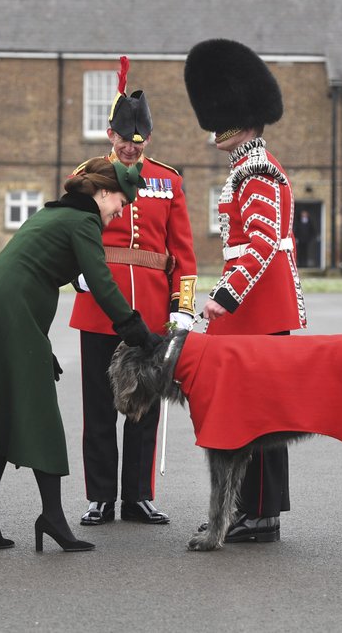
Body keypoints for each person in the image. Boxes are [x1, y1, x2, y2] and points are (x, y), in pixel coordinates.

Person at [0, 157, 160, 553]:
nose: (121, 213)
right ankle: (52, 518)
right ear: (104, 193)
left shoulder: (56, 215)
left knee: (1, 410)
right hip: (7, 313)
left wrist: (38, 345)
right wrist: (137, 330)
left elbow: (25, 274)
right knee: (42, 415)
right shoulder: (83, 221)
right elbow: (101, 282)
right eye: (121, 204)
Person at [184, 38, 307, 543]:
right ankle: (251, 510)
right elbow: (242, 251)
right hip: (250, 310)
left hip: (256, 312)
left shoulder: (256, 171)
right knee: (250, 414)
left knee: (257, 415)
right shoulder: (245, 169)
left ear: (244, 117)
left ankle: (258, 514)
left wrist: (225, 298)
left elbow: (259, 247)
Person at [70, 57, 197, 528]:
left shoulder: (168, 180)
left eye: (137, 142)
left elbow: (182, 251)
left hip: (149, 311)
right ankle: (100, 496)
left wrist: (181, 307)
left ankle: (138, 496)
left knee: (143, 406)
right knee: (99, 407)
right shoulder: (88, 174)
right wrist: (76, 274)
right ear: (110, 134)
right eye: (123, 140)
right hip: (99, 307)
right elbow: (68, 233)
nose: (128, 150)